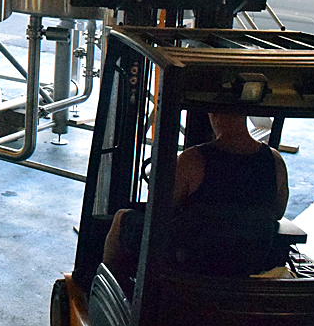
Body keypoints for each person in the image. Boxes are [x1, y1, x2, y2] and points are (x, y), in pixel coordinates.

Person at [103, 112, 289, 287]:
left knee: (122, 218)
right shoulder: (275, 161)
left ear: (214, 115)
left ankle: (113, 293)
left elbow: (162, 209)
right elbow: (278, 212)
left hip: (190, 260)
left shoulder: (193, 160)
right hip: (248, 259)